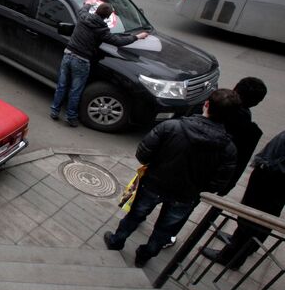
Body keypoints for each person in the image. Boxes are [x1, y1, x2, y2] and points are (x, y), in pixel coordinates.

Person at [103, 89, 240, 268]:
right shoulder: (228, 149)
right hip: (186, 195)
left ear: (206, 104)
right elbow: (219, 182)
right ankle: (145, 255)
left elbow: (143, 154)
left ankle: (117, 241)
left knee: (135, 215)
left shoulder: (171, 127)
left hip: (153, 184)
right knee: (165, 230)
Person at [163, 77, 267, 249]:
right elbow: (238, 163)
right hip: (201, 180)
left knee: (158, 195)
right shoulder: (250, 131)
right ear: (256, 102)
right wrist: (225, 186)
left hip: (173, 165)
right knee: (181, 209)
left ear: (235, 88)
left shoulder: (210, 106)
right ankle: (167, 235)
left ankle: (138, 218)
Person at [50, 1, 149, 127]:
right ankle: (70, 117)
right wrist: (138, 36)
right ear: (107, 17)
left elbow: (82, 10)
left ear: (96, 11)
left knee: (62, 85)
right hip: (81, 61)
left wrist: (88, 4)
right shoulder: (102, 30)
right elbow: (119, 41)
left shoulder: (83, 17)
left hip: (68, 55)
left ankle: (54, 111)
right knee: (76, 90)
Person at [201, 130, 285, 269]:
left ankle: (231, 256)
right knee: (257, 213)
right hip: (272, 172)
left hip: (274, 176)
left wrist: (268, 166)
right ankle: (245, 245)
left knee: (254, 215)